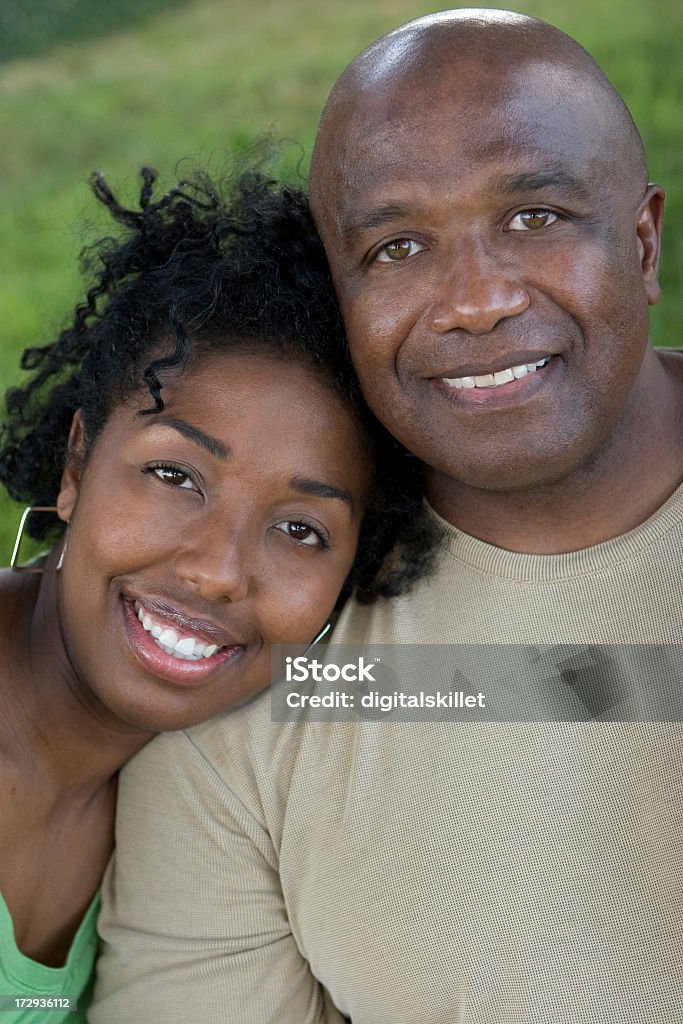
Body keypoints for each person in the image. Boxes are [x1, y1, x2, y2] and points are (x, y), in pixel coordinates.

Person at [92, 10, 683, 1023]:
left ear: (641, 241)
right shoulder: (255, 647)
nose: (473, 301)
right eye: (397, 246)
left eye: (532, 216)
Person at [0, 163, 435, 1022]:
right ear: (78, 463)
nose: (218, 570)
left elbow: (561, 677)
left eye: (300, 530)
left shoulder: (202, 777)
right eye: (173, 474)